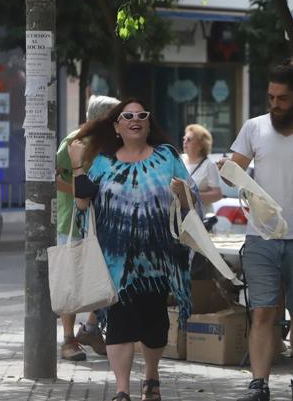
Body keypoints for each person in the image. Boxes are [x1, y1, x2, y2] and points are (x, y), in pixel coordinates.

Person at [68, 99, 200, 401]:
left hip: (158, 259)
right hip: (116, 262)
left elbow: (192, 205)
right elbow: (82, 207)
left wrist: (183, 195)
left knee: (155, 328)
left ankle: (151, 376)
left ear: (149, 124)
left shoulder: (167, 157)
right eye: (128, 116)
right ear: (117, 127)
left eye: (142, 114)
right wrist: (77, 166)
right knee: (119, 326)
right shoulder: (103, 162)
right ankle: (122, 390)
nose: (135, 119)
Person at [223, 56, 293, 401]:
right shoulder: (254, 128)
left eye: (282, 98)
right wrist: (226, 168)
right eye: (271, 98)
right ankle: (259, 385)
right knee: (262, 310)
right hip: (261, 237)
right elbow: (234, 171)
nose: (275, 104)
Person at [56, 95, 119, 361]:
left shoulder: (112, 144)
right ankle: (69, 339)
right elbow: (56, 179)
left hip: (103, 222)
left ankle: (91, 329)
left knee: (105, 280)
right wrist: (84, 193)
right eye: (115, 116)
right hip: (72, 220)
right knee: (70, 283)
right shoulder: (74, 142)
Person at [181, 124, 222, 214]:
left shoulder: (208, 165)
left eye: (189, 139)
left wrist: (194, 197)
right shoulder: (179, 160)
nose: (185, 142)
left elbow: (217, 194)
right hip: (180, 218)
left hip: (200, 219)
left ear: (200, 145)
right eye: (184, 139)